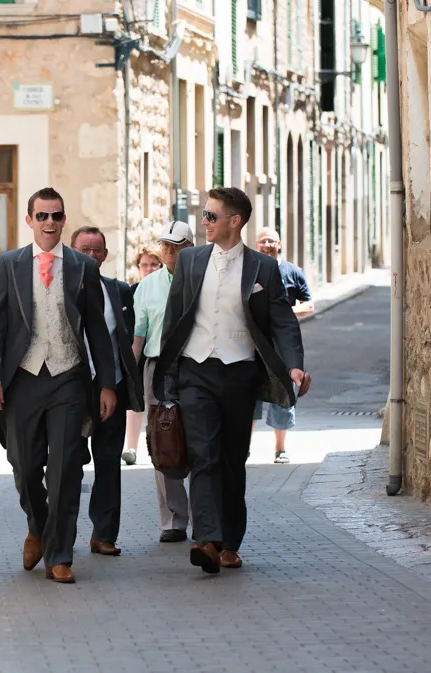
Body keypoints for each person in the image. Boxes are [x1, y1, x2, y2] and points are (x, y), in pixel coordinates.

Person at [155, 187, 306, 575]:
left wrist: (293, 367)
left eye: (210, 216)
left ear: (233, 221)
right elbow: (175, 319)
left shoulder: (263, 268)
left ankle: (230, 542)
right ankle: (207, 539)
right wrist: (166, 374)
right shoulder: (189, 261)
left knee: (232, 459)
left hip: (240, 372)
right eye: (204, 215)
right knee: (204, 455)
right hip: (196, 370)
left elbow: (283, 323)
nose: (203, 222)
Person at [0, 187, 117, 584]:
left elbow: (96, 331)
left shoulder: (82, 267)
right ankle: (38, 527)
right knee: (23, 466)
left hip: (68, 377)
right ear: (30, 220)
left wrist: (106, 384)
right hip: (22, 378)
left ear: (63, 219)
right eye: (42, 216)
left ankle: (59, 554)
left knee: (65, 468)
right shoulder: (9, 264)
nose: (50, 223)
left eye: (56, 216)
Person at [70, 226, 144, 557]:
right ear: (71, 252)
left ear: (105, 255)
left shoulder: (118, 291)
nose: (90, 255)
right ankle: (60, 533)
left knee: (108, 462)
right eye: (83, 249)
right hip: (69, 391)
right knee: (67, 463)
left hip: (108, 389)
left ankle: (104, 534)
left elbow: (125, 340)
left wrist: (117, 384)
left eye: (96, 250)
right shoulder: (59, 288)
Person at [132, 222, 194, 543]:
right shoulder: (148, 286)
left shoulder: (203, 280)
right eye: (165, 246)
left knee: (200, 437)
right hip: (157, 368)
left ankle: (206, 516)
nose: (169, 252)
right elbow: (138, 337)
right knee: (162, 439)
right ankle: (173, 520)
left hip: (196, 366)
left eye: (177, 245)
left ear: (190, 248)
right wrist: (129, 376)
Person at [251, 227, 315, 464]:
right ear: (256, 246)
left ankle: (280, 448)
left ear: (279, 244)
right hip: (254, 343)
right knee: (249, 395)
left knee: (282, 394)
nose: (266, 244)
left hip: (281, 344)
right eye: (262, 241)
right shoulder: (249, 271)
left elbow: (308, 305)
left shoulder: (292, 272)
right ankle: (244, 448)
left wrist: (283, 314)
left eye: (271, 240)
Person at [122, 245, 162, 466]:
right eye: (144, 265)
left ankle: (159, 445)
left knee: (157, 403)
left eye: (153, 264)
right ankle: (131, 447)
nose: (148, 269)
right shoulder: (132, 290)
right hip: (138, 349)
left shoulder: (166, 289)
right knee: (135, 399)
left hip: (157, 351)